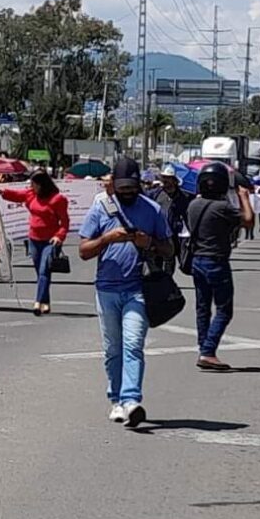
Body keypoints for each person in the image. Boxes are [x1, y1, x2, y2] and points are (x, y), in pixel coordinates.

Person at [78, 158, 174, 428]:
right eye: (122, 188)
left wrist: (150, 243)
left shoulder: (153, 209)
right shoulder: (101, 207)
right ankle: (117, 400)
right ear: (113, 187)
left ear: (140, 185)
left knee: (132, 345)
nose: (127, 192)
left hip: (138, 289)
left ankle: (131, 400)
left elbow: (169, 250)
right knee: (112, 349)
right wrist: (108, 238)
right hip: (106, 288)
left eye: (132, 187)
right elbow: (83, 251)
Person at [187, 163, 254, 370]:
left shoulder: (193, 205)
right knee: (224, 310)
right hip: (215, 261)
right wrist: (243, 196)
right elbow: (249, 221)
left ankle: (203, 347)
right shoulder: (223, 208)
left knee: (202, 307)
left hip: (197, 260)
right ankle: (208, 351)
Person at [0, 171, 70, 316]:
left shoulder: (58, 199)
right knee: (40, 272)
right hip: (34, 239)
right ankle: (46, 302)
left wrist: (59, 236)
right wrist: (1, 192)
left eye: (34, 184)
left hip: (50, 241)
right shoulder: (31, 194)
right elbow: (17, 195)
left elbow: (65, 222)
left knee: (44, 270)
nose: (31, 187)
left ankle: (37, 302)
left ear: (42, 184)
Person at [149, 166, 193, 273]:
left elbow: (188, 215)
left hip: (175, 234)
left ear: (174, 180)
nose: (165, 180)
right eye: (164, 177)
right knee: (156, 263)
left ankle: (168, 282)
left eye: (168, 178)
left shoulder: (184, 197)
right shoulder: (155, 194)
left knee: (171, 261)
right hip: (158, 233)